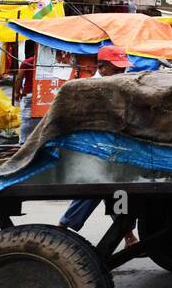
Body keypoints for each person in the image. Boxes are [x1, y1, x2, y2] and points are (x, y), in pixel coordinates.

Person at [59, 46, 138, 246]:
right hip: (92, 150)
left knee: (119, 195)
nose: (122, 73)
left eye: (122, 69)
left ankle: (128, 235)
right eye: (117, 68)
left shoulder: (116, 86)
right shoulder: (90, 89)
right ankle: (62, 228)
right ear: (102, 68)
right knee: (93, 191)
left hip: (112, 151)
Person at [13, 49, 39, 143]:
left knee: (26, 120)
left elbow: (19, 78)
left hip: (28, 94)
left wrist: (16, 92)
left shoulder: (27, 62)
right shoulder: (48, 62)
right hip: (43, 95)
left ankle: (23, 142)